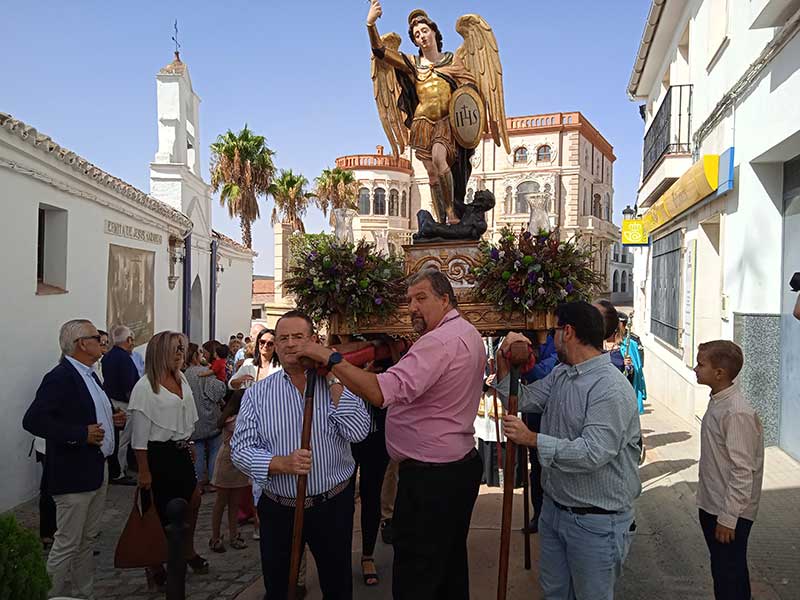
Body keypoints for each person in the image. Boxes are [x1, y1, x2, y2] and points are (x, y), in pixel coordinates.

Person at [296, 269, 485, 599]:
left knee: (417, 575)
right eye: (409, 299)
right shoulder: (464, 331)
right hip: (454, 468)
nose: (412, 306)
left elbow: (381, 392)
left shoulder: (438, 342)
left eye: (421, 298)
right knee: (448, 567)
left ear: (445, 299)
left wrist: (330, 356)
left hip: (431, 480)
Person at [493, 301, 642, 600]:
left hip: (596, 523)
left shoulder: (609, 388)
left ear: (569, 332)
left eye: (555, 330)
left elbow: (593, 452)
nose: (551, 338)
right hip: (555, 511)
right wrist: (502, 360)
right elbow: (522, 400)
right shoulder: (563, 374)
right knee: (556, 594)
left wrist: (533, 439)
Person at [231, 311, 371, 600]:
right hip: (279, 507)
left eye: (299, 337)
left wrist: (332, 375)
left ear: (314, 342)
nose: (291, 344)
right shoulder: (258, 394)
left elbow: (358, 432)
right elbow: (241, 450)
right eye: (284, 338)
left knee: (337, 586)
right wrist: (280, 463)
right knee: (279, 587)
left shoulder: (337, 384)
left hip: (332, 505)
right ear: (276, 345)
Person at [23, 319, 124, 599]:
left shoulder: (90, 374)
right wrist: (79, 434)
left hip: (96, 469)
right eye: (96, 338)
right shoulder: (60, 377)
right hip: (73, 473)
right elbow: (33, 420)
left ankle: (83, 593)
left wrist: (113, 419)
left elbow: (90, 412)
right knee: (67, 542)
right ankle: (48, 594)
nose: (102, 342)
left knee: (86, 541)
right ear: (82, 343)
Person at [129, 331, 209, 589]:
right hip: (157, 455)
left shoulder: (182, 378)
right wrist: (143, 471)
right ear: (160, 352)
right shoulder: (145, 387)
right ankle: (155, 563)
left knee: (192, 500)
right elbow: (139, 436)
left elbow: (186, 415)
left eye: (181, 348)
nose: (179, 353)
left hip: (181, 450)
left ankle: (187, 550)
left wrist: (189, 443)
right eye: (174, 348)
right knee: (161, 510)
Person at [694, 340, 764, 600]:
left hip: (728, 514)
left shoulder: (736, 412)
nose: (695, 368)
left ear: (719, 373)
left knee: (730, 578)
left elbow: (743, 471)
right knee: (723, 574)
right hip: (713, 505)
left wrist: (728, 517)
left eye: (701, 364)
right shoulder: (718, 401)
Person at [209, 390, 251, 552]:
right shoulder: (233, 420)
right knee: (221, 501)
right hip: (228, 462)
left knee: (234, 502)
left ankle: (233, 535)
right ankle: (215, 536)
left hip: (237, 462)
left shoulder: (236, 417)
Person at [185, 343, 227, 493]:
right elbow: (217, 393)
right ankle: (213, 481)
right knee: (215, 449)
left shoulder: (182, 374)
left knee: (198, 451)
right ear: (195, 355)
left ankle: (198, 483)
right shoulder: (204, 372)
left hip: (193, 421)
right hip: (209, 418)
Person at [102, 324, 140, 484]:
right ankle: (118, 472)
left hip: (112, 401)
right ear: (129, 339)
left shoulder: (108, 356)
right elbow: (128, 386)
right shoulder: (124, 358)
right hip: (123, 404)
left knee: (117, 438)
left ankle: (117, 469)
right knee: (122, 440)